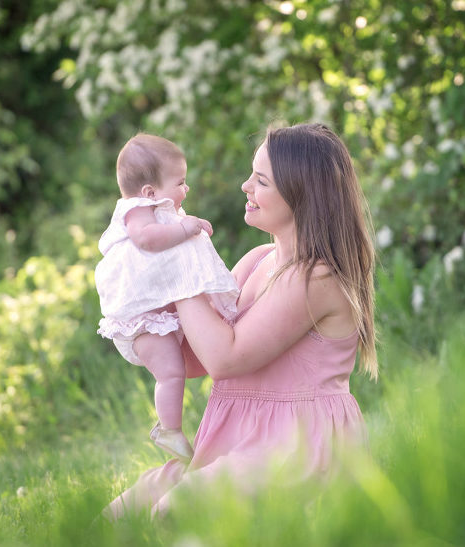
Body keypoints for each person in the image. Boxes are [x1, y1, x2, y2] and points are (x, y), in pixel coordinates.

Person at [104, 122, 377, 519]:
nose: (245, 186)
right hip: (238, 436)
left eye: (261, 180)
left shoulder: (315, 278)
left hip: (296, 444)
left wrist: (176, 265)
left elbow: (225, 359)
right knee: (120, 516)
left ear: (301, 193)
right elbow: (196, 359)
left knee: (173, 513)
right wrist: (146, 315)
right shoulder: (256, 261)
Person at [95, 133, 239, 462]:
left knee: (175, 369)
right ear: (150, 192)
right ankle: (168, 430)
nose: (185, 190)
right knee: (171, 372)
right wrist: (186, 228)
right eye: (180, 182)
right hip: (141, 321)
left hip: (157, 316)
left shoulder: (160, 209)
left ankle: (170, 429)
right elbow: (146, 240)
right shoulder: (138, 211)